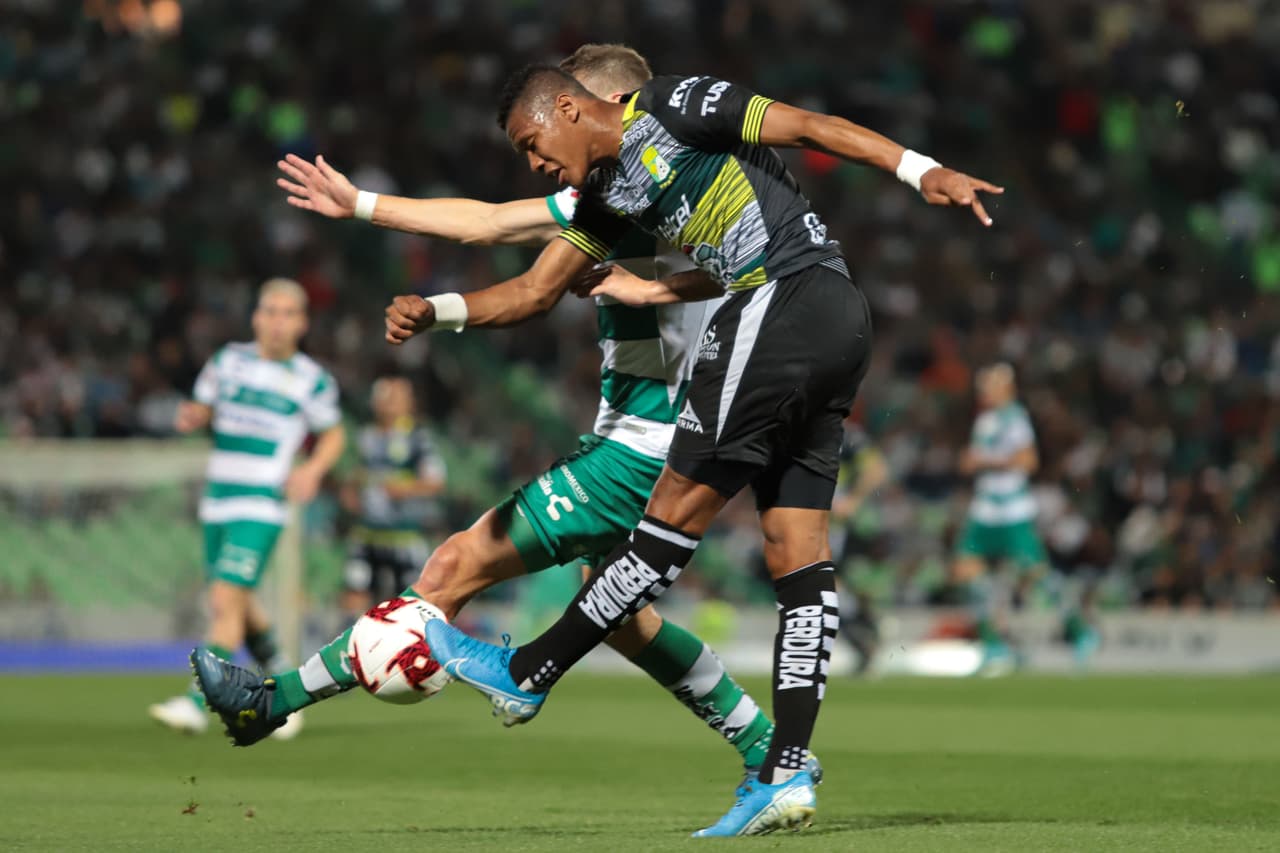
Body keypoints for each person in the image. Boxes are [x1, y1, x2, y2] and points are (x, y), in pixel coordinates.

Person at [390, 65, 1000, 835]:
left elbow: (807, 125)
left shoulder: (679, 106)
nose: (534, 165)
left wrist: (922, 170)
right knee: (796, 549)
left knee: (668, 518)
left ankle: (529, 670)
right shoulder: (610, 196)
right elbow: (534, 293)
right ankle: (783, 774)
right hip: (836, 319)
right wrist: (438, 311)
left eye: (531, 143)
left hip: (780, 299)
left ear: (570, 108)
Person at [194, 45, 809, 795]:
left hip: (643, 446)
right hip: (655, 435)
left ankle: (272, 699)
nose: (546, 155)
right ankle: (768, 746)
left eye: (557, 123)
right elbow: (490, 223)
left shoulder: (637, 187)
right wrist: (360, 206)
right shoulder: (676, 191)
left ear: (602, 106)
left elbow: (496, 241)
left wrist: (379, 228)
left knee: (454, 565)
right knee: (620, 617)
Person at [149, 277, 345, 740]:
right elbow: (202, 409)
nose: (277, 322)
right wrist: (194, 416)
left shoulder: (311, 379)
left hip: (263, 501)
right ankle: (284, 689)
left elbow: (334, 434)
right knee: (241, 601)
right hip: (218, 497)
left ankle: (198, 701)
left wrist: (313, 470)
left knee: (222, 599)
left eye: (287, 314)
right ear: (256, 317)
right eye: (269, 311)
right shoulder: (226, 362)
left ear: (302, 323)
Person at [949, 362, 1046, 668]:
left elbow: (1029, 461)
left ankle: (1079, 630)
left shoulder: (1015, 418)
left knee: (1037, 575)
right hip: (985, 509)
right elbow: (970, 462)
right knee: (966, 570)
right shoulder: (986, 420)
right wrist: (972, 462)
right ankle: (995, 642)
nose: (982, 392)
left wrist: (985, 461)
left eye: (988, 385)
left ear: (1005, 388)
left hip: (1012, 510)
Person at [340, 376, 447, 618]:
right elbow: (355, 474)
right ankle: (351, 650)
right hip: (367, 534)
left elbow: (435, 482)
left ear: (409, 402)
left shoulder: (418, 438)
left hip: (404, 536)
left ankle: (408, 651)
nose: (387, 402)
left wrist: (405, 488)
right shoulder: (365, 436)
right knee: (354, 593)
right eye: (383, 396)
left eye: (395, 397)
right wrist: (349, 492)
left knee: (412, 602)